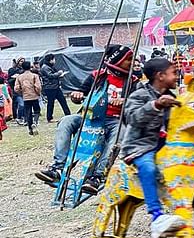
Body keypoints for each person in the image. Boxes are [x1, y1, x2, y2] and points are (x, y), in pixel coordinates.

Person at [36, 45, 134, 192]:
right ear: (118, 61)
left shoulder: (133, 81)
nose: (132, 62)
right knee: (66, 121)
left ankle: (96, 176)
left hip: (114, 120)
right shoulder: (97, 76)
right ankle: (57, 168)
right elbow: (80, 93)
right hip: (89, 117)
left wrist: (125, 101)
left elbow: (139, 104)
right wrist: (77, 96)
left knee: (120, 133)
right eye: (129, 59)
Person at [119, 58, 189, 238]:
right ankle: (156, 217)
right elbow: (132, 118)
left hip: (162, 145)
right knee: (148, 167)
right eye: (173, 72)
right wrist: (156, 105)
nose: (176, 76)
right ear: (160, 76)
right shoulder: (139, 95)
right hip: (139, 146)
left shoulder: (172, 97)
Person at [40, 53, 71, 123]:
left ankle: (68, 114)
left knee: (63, 100)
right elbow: (50, 76)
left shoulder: (50, 66)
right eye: (54, 59)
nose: (55, 61)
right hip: (50, 88)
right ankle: (49, 117)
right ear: (50, 60)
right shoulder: (45, 67)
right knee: (51, 103)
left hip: (55, 86)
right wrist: (59, 73)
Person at [14, 61, 42, 135]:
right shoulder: (34, 76)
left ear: (22, 67)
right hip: (34, 96)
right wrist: (38, 93)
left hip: (25, 97)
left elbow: (16, 88)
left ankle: (30, 128)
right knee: (37, 110)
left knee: (28, 113)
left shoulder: (19, 77)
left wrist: (21, 92)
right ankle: (35, 122)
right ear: (30, 67)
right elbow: (38, 86)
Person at [7, 58, 25, 124]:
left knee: (21, 104)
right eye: (21, 61)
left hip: (23, 89)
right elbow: (9, 80)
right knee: (18, 104)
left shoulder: (24, 70)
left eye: (23, 61)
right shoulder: (12, 70)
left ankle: (21, 116)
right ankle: (17, 117)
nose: (22, 63)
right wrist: (15, 78)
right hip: (15, 89)